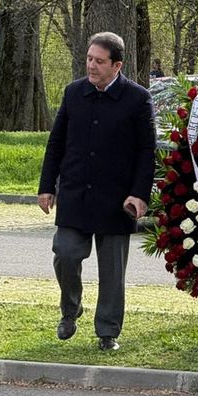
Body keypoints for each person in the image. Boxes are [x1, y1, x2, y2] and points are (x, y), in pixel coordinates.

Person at [39, 32, 156, 352]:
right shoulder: (74, 93)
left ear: (117, 65)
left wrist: (139, 194)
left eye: (99, 61)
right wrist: (47, 186)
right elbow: (57, 142)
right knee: (65, 252)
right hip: (76, 193)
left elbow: (147, 152)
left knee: (112, 271)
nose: (91, 65)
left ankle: (107, 331)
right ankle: (70, 308)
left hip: (118, 199)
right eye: (89, 59)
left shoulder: (138, 98)